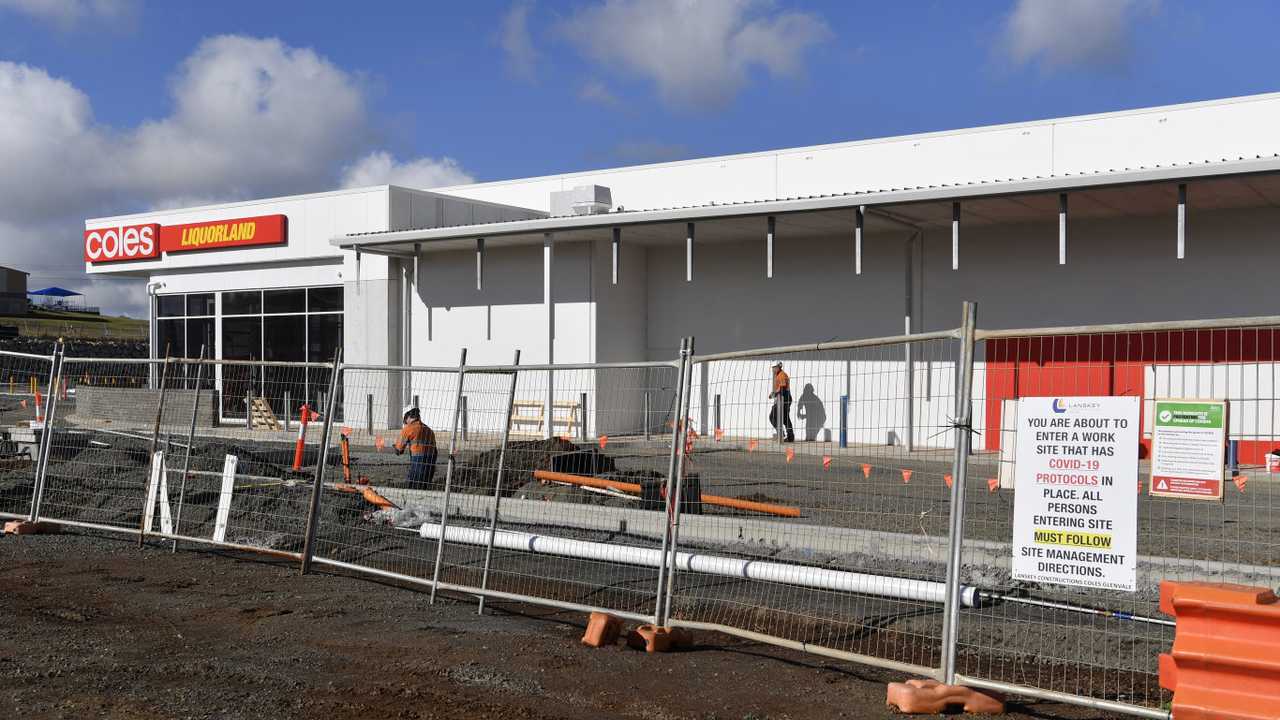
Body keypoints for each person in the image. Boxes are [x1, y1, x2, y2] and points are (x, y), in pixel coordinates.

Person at [394, 405, 438, 487]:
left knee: (414, 485)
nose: (405, 424)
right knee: (425, 485)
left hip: (418, 460)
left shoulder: (408, 428)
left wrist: (395, 447)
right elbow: (435, 450)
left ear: (409, 418)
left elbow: (399, 450)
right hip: (431, 459)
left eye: (405, 422)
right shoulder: (428, 429)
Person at [768, 361, 795, 442]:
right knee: (785, 418)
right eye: (772, 368)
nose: (772, 369)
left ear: (778, 367)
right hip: (781, 398)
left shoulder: (782, 375)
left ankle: (782, 434)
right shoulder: (777, 374)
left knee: (773, 416)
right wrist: (774, 393)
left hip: (784, 398)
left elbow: (782, 389)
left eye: (774, 368)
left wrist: (774, 394)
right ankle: (789, 436)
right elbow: (779, 388)